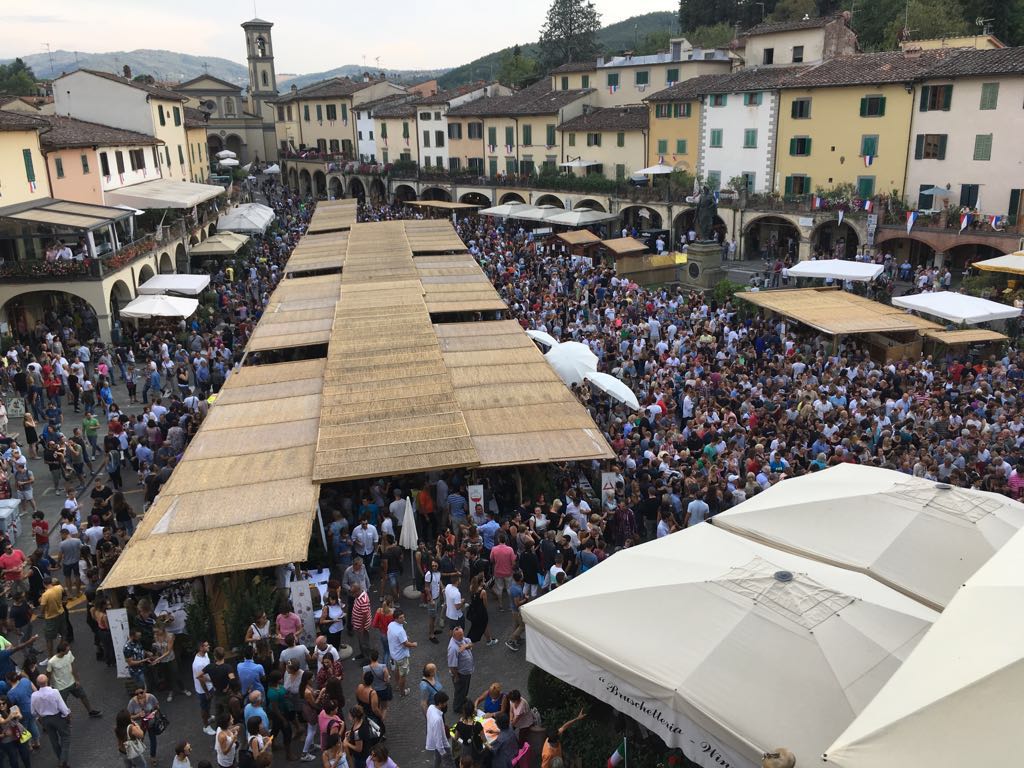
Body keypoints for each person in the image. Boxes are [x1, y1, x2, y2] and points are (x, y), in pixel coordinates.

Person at [46, 640, 102, 718]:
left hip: (72, 682)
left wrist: (77, 679)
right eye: (67, 650)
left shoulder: (69, 654)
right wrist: (48, 687)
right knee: (62, 704)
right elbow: (48, 675)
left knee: (83, 695)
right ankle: (65, 719)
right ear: (62, 651)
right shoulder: (52, 662)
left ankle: (90, 711)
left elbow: (73, 667)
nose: (68, 651)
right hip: (61, 687)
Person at [31, 673, 71, 767]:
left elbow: (33, 712)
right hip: (57, 717)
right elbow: (62, 706)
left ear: (37, 683)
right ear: (47, 681)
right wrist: (67, 715)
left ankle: (60, 759)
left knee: (53, 740)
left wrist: (39, 716)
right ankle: (63, 760)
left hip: (45, 720)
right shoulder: (54, 692)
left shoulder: (34, 696)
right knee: (65, 737)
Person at [127, 687, 160, 767]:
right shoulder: (132, 703)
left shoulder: (151, 697)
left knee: (153, 741)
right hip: (139, 726)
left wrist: (153, 713)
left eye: (141, 692)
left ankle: (153, 757)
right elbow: (129, 716)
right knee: (138, 741)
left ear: (145, 691)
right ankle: (137, 758)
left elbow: (157, 707)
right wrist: (138, 715)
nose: (139, 695)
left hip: (151, 723)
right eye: (137, 694)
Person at [386, 608, 415, 698]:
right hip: (401, 656)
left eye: (403, 617)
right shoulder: (400, 631)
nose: (403, 619)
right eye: (401, 618)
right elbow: (405, 644)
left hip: (393, 654)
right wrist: (413, 644)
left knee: (396, 670)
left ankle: (397, 686)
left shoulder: (391, 625)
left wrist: (404, 637)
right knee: (403, 675)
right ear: (396, 619)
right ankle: (402, 692)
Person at [446, 626, 474, 713]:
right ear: (454, 636)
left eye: (462, 634)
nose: (462, 637)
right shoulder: (453, 648)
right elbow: (452, 665)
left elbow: (471, 643)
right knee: (459, 691)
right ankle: (458, 707)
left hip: (467, 672)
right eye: (460, 635)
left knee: (464, 689)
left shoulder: (462, 639)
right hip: (460, 674)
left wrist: (466, 646)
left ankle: (463, 698)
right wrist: (456, 677)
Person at [192, 640, 217, 735]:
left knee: (208, 704)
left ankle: (209, 717)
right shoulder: (198, 664)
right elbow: (201, 679)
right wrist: (206, 692)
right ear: (201, 648)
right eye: (206, 646)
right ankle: (206, 726)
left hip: (209, 686)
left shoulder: (205, 655)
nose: (209, 646)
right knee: (204, 708)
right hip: (203, 690)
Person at [465, 573, 495, 646]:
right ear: (481, 582)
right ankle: (469, 643)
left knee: (480, 626)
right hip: (481, 612)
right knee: (481, 627)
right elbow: (485, 604)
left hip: (473, 610)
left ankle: (489, 640)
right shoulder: (483, 592)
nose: (485, 580)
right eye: (484, 580)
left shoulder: (471, 587)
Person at [424, 691, 451, 768]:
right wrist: (443, 752)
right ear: (440, 703)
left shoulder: (431, 707)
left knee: (438, 759)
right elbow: (439, 738)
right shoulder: (438, 719)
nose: (446, 704)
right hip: (442, 746)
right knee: (450, 763)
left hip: (435, 743)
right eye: (445, 702)